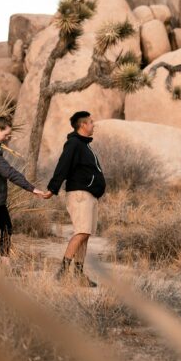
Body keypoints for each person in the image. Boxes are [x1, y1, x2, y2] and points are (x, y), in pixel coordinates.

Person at [0, 116, 52, 264]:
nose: (7, 138)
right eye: (6, 135)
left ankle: (4, 264)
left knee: (6, 228)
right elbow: (8, 172)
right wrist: (32, 189)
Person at [47, 110, 105, 287]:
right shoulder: (73, 144)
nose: (93, 125)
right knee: (80, 232)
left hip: (89, 196)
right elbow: (62, 166)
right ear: (83, 125)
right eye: (91, 122)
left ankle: (78, 275)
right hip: (80, 195)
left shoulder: (84, 145)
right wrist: (52, 188)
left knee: (85, 234)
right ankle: (62, 272)